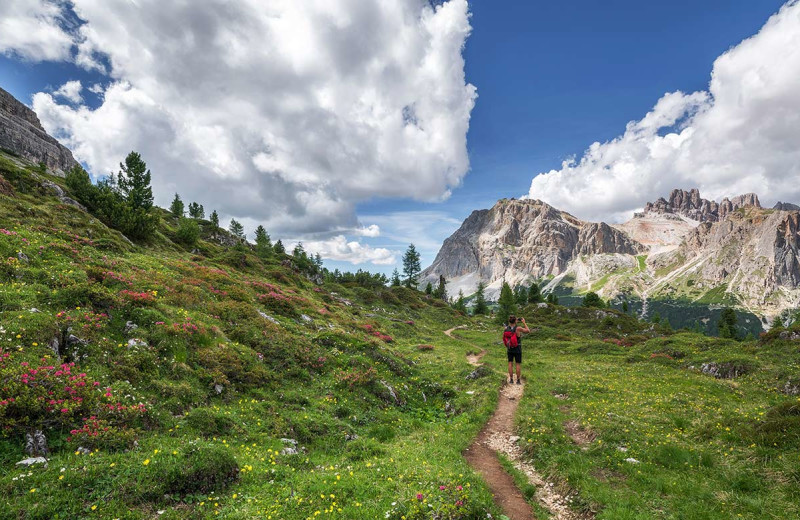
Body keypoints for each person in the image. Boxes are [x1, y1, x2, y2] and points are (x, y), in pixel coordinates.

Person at [503, 315, 529, 384]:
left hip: (509, 348)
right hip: (517, 348)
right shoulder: (518, 328)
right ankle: (518, 380)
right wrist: (524, 322)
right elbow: (527, 331)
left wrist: (515, 321)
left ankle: (511, 379)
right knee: (517, 364)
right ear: (515, 321)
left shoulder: (506, 329)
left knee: (510, 363)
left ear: (509, 321)